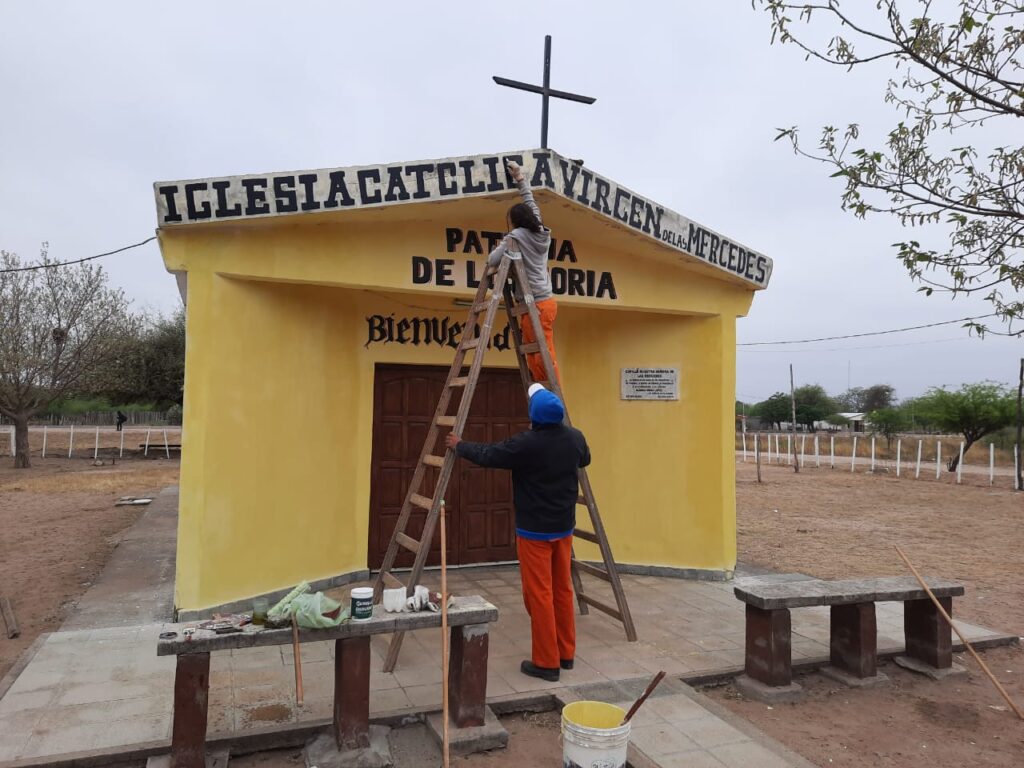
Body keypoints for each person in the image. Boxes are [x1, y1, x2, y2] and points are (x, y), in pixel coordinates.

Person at [445, 383, 588, 681]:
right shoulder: (575, 438)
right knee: (562, 590)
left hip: (535, 532)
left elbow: (489, 454)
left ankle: (547, 663)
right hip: (563, 529)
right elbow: (584, 459)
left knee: (539, 595)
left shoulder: (527, 444)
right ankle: (566, 653)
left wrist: (459, 445)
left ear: (534, 415)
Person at [486, 160, 560, 387]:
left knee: (539, 353)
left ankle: (550, 392)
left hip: (534, 303)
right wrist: (520, 179)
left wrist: (499, 246)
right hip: (545, 300)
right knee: (542, 349)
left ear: (516, 222)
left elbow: (492, 260)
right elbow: (530, 200)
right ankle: (547, 389)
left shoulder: (516, 237)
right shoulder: (541, 231)